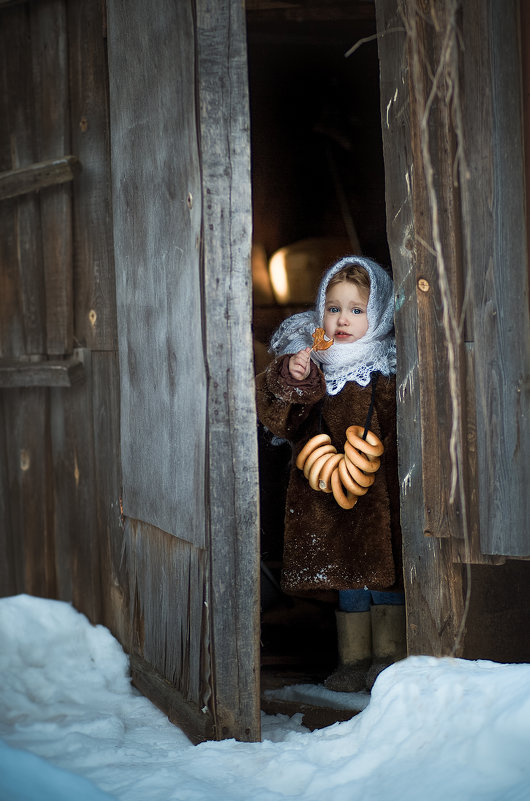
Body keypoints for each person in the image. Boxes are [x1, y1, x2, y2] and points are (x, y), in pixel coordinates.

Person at [255, 255, 405, 692]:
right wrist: (293, 379)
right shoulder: (312, 362)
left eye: (357, 310)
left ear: (376, 314)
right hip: (325, 494)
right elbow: (281, 421)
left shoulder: (389, 366)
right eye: (334, 308)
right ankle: (354, 659)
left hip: (379, 495)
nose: (343, 319)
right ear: (321, 309)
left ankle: (390, 657)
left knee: (385, 575)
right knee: (346, 579)